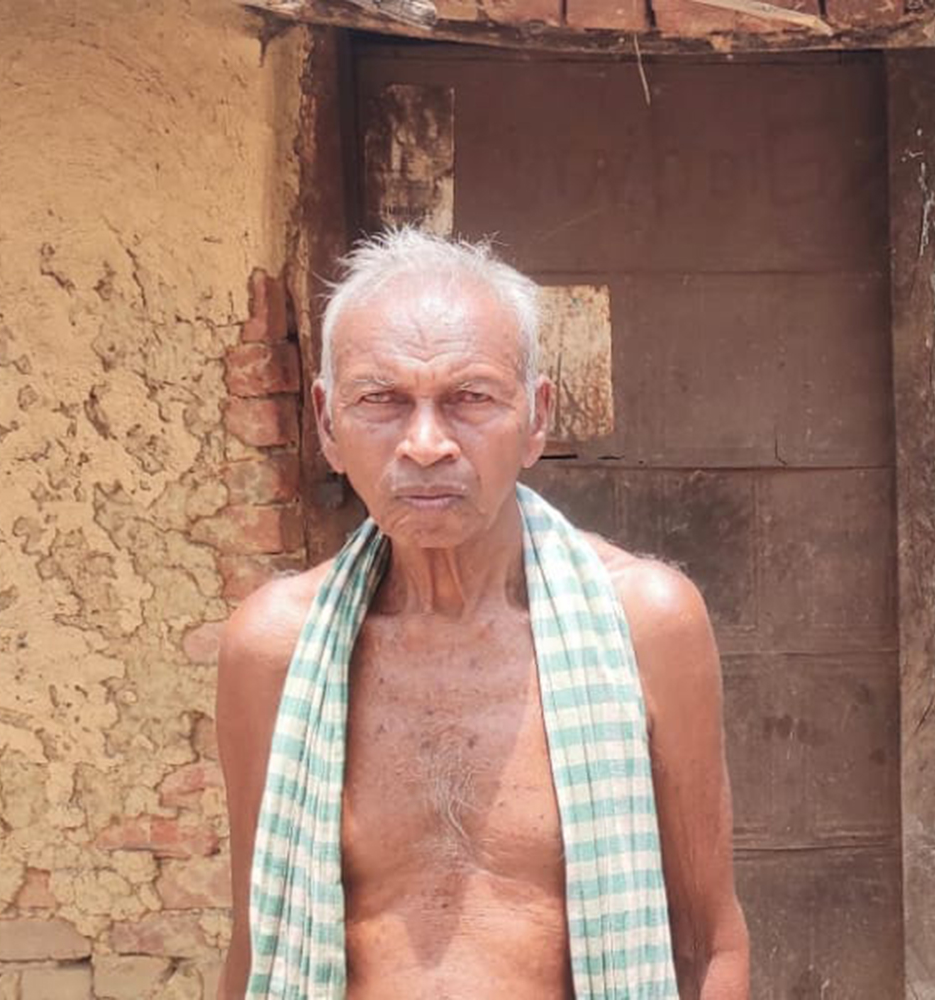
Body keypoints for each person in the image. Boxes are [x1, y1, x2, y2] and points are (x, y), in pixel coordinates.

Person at [215, 228, 749, 999]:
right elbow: (256, 942)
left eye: (470, 399)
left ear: (535, 419)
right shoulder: (275, 648)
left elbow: (708, 940)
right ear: (328, 424)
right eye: (382, 401)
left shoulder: (647, 624)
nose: (426, 443)